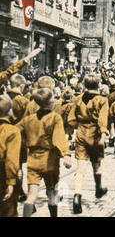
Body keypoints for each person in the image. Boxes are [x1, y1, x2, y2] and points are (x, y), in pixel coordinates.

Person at [17, 88, 72, 217]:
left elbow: (15, 132)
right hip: (49, 160)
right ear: (51, 102)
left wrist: (25, 142)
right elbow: (59, 137)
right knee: (52, 192)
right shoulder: (55, 118)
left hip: (33, 159)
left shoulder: (28, 119)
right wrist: (66, 154)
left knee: (32, 194)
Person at [67, 74, 109, 214]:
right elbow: (103, 120)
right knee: (96, 164)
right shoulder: (102, 100)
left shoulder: (77, 99)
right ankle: (98, 188)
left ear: (84, 84)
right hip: (95, 135)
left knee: (80, 168)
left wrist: (75, 129)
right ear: (98, 84)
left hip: (81, 134)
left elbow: (71, 119)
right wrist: (103, 134)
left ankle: (77, 196)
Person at [0, 95, 21, 217]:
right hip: (3, 174)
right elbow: (11, 160)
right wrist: (11, 182)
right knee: (8, 211)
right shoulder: (12, 131)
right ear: (10, 111)